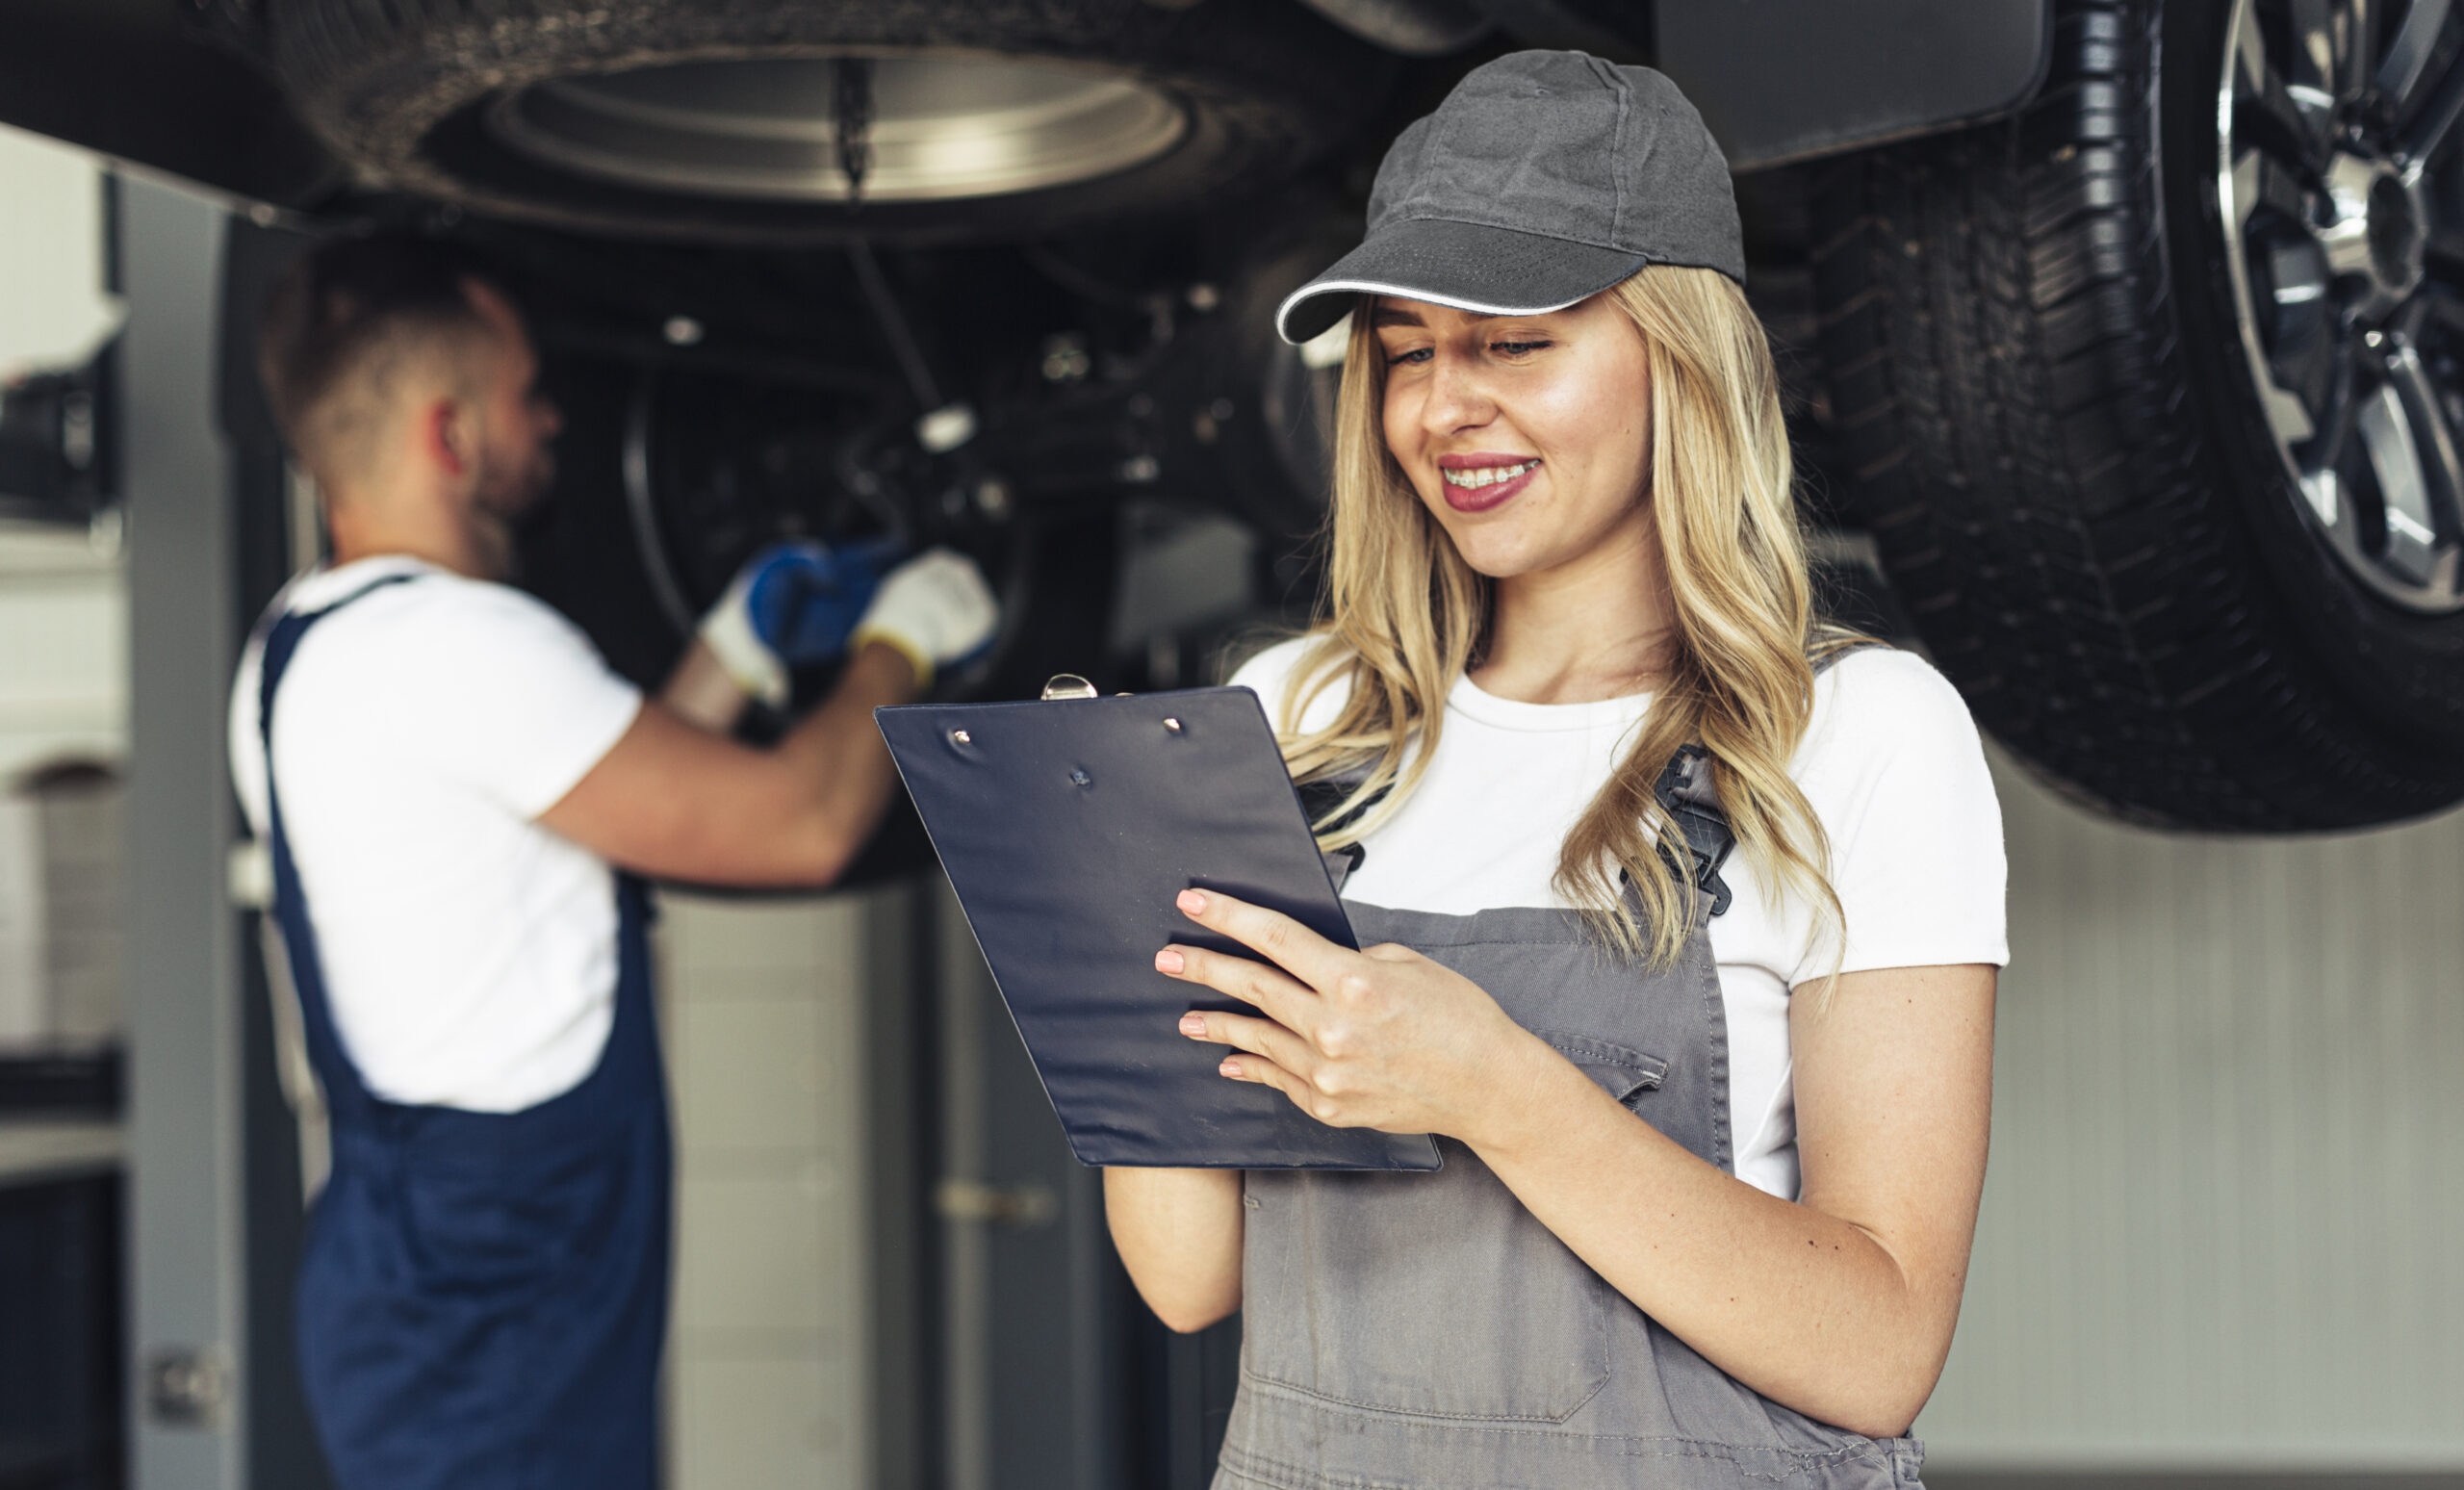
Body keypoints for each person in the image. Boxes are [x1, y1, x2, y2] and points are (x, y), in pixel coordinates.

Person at [1102, 51, 2007, 1490]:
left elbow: (1877, 1347)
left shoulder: (1856, 735)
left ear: (1679, 354)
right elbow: (1191, 1277)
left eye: (1512, 345)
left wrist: (1498, 1088)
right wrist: (1095, 939)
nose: (1441, 406)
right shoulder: (1295, 718)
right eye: (1404, 351)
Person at [226, 234, 997, 1490]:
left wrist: (736, 650)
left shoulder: (302, 646)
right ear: (449, 435)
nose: (554, 422)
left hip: (417, 1285)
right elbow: (800, 828)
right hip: (496, 1314)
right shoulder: (462, 644)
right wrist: (902, 646)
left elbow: (569, 814)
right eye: (529, 394)